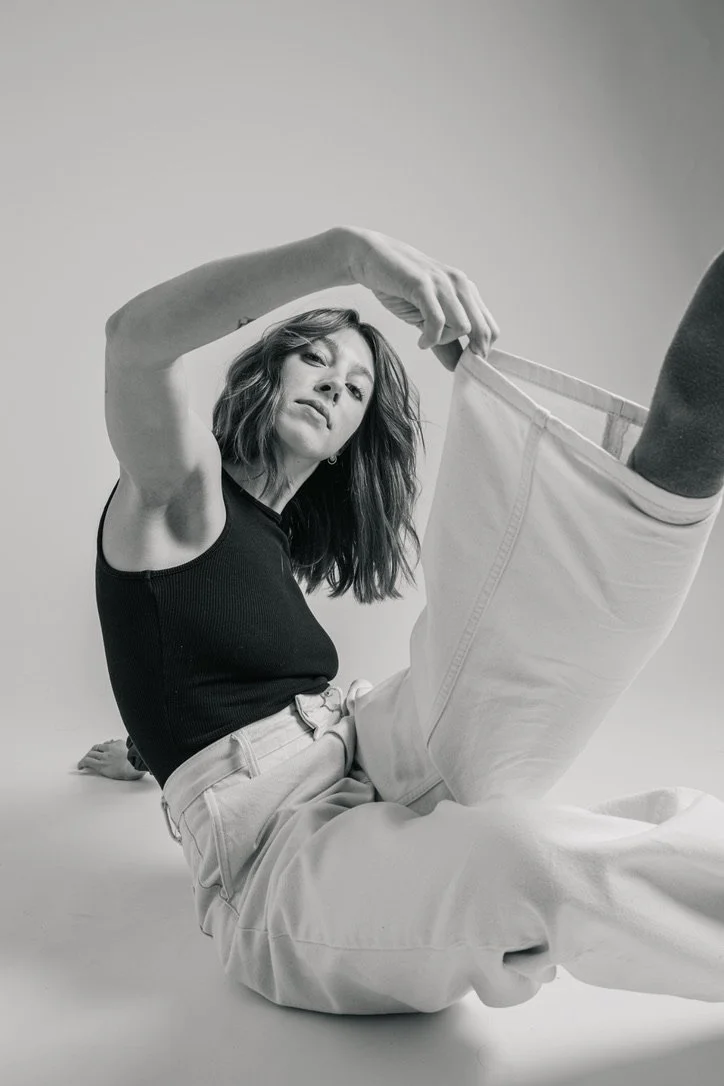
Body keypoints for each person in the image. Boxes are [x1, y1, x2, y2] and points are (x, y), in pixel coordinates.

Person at [79, 225, 724, 1014]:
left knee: (558, 623)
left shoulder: (271, 542)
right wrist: (347, 257)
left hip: (364, 736)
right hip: (276, 859)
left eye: (355, 389)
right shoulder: (182, 492)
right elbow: (133, 343)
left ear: (354, 438)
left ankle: (670, 464)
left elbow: (186, 653)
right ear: (265, 369)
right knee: (523, 860)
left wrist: (152, 747)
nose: (331, 387)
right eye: (314, 359)